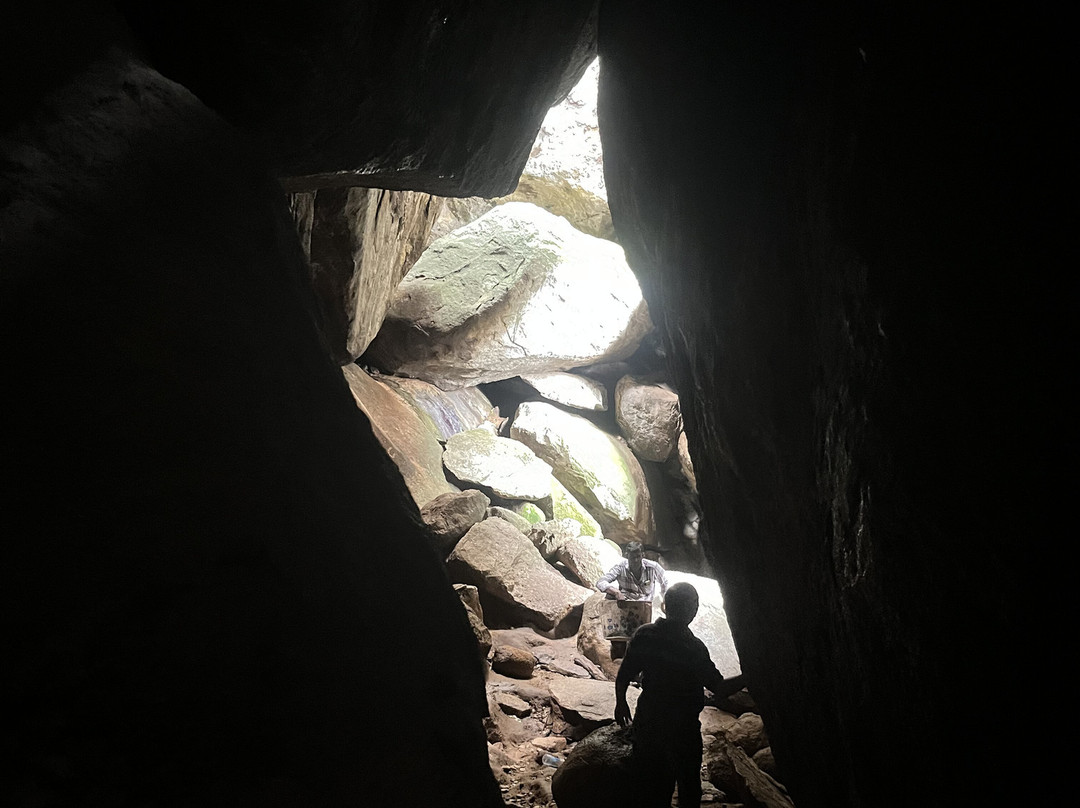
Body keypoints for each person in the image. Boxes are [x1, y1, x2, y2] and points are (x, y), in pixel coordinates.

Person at [614, 582, 745, 808]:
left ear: (665, 606)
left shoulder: (645, 635)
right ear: (693, 610)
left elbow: (625, 673)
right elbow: (720, 687)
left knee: (653, 786)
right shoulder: (693, 648)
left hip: (650, 720)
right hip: (683, 728)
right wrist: (750, 677)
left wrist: (621, 702)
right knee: (689, 787)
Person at [595, 541, 668, 602]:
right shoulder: (620, 567)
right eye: (632, 557)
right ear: (627, 556)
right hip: (626, 604)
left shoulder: (653, 567)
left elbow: (665, 582)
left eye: (638, 556)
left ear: (643, 555)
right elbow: (601, 582)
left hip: (646, 604)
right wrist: (616, 592)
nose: (635, 560)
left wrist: (664, 598)